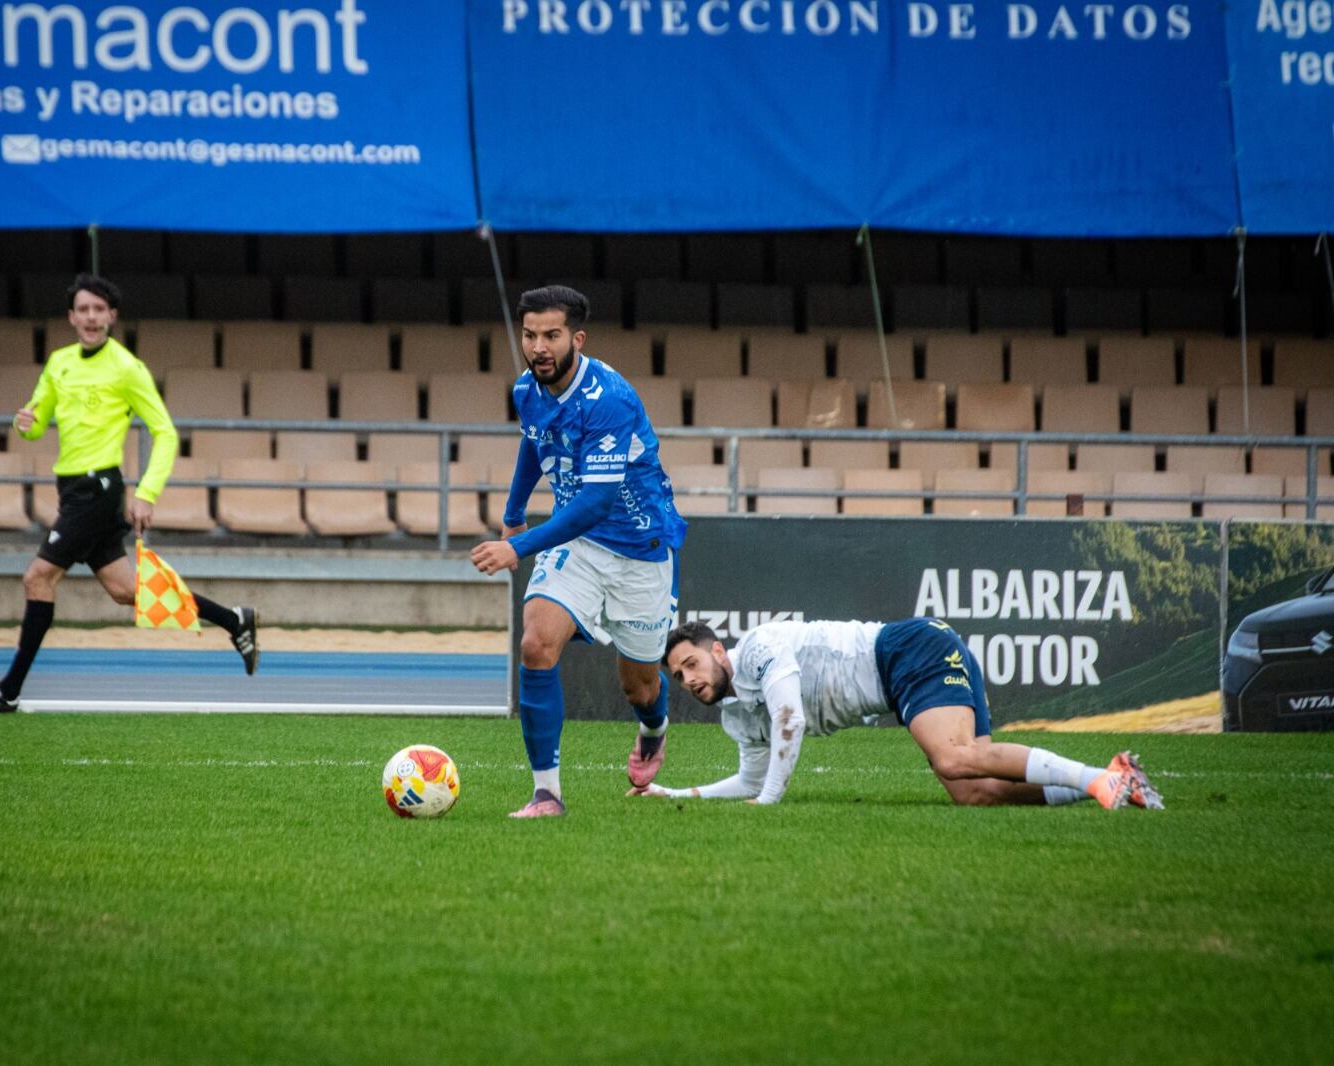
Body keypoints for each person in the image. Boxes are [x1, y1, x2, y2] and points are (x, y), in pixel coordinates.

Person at [0, 274, 258, 713]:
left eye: (99, 309)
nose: (91, 317)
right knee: (126, 590)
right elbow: (38, 424)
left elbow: (165, 433)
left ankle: (8, 690)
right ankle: (234, 620)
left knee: (38, 577)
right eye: (83, 310)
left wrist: (147, 492)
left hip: (99, 488)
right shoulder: (58, 363)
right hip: (71, 488)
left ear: (112, 315)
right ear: (71, 317)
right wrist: (26, 423)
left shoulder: (127, 368)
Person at [470, 285, 687, 818]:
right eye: (529, 335)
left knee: (638, 685)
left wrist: (516, 546)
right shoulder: (527, 389)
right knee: (536, 644)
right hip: (579, 545)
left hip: (640, 547)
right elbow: (532, 440)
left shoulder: (608, 398)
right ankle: (548, 794)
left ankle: (654, 728)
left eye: (551, 335)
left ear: (577, 338)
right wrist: (515, 508)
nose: (539, 347)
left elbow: (596, 501)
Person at [637, 618, 1163, 810]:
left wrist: (771, 801)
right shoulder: (736, 713)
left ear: (719, 651)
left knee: (955, 759)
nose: (688, 681)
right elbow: (751, 781)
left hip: (907, 649)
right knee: (973, 790)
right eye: (679, 678)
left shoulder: (761, 647)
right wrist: (675, 794)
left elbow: (790, 719)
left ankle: (1099, 780)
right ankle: (1109, 780)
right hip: (900, 679)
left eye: (691, 664)